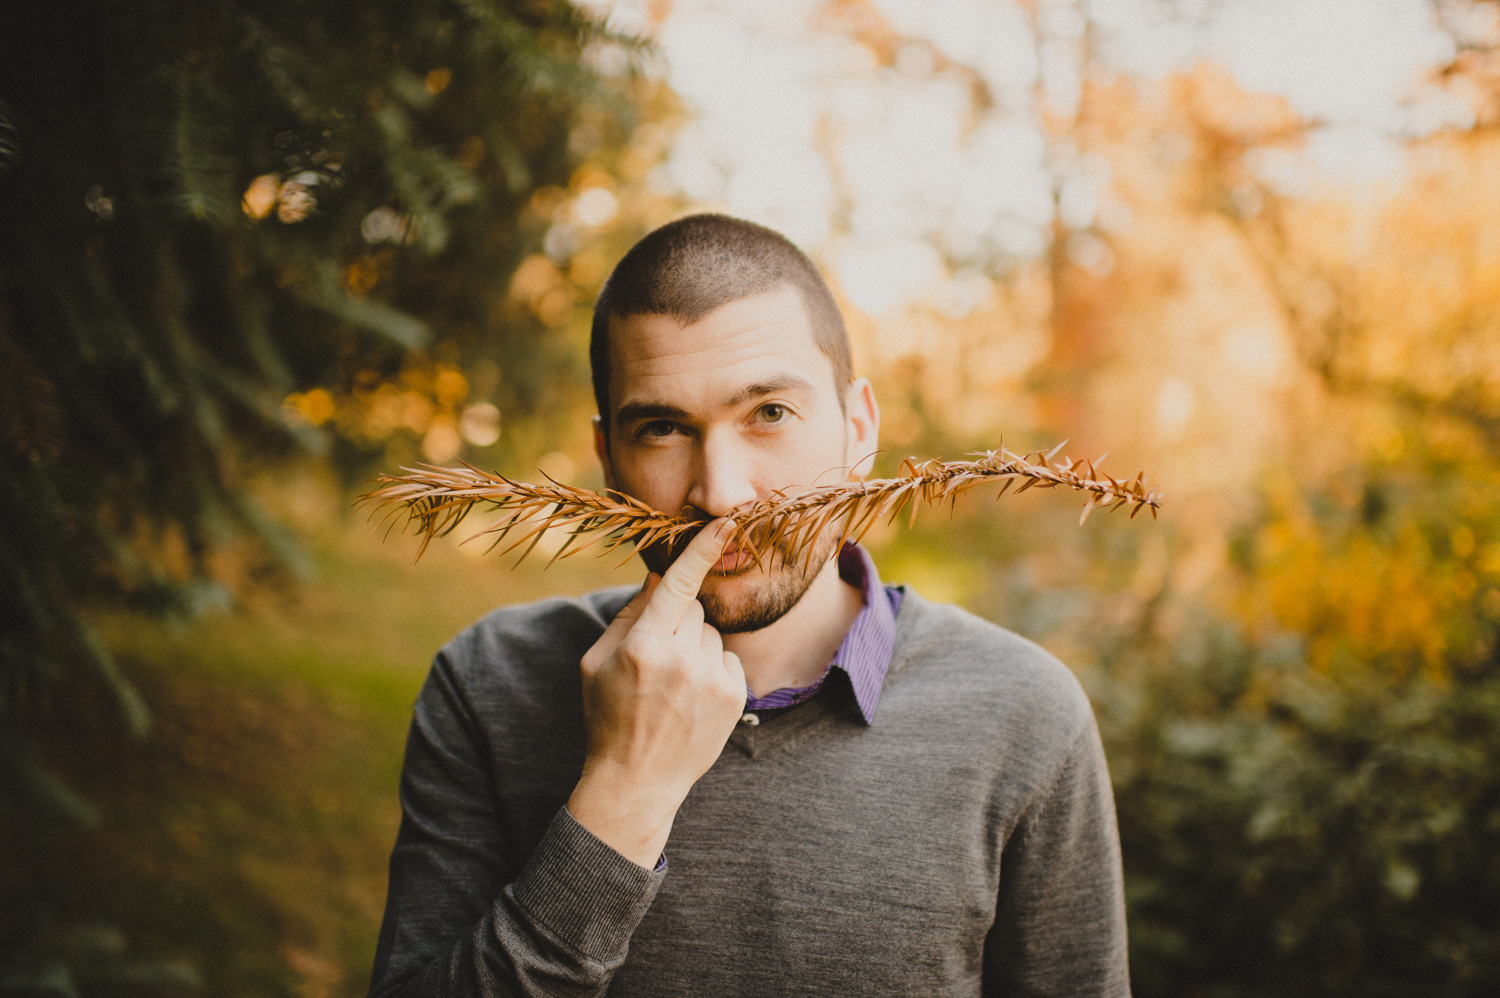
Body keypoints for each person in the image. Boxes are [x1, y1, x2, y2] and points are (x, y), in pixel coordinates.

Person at [366, 214, 1130, 997]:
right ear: (607, 458)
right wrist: (623, 792)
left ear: (858, 429)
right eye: (662, 428)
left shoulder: (1023, 715)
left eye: (769, 413)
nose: (721, 493)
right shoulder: (487, 684)